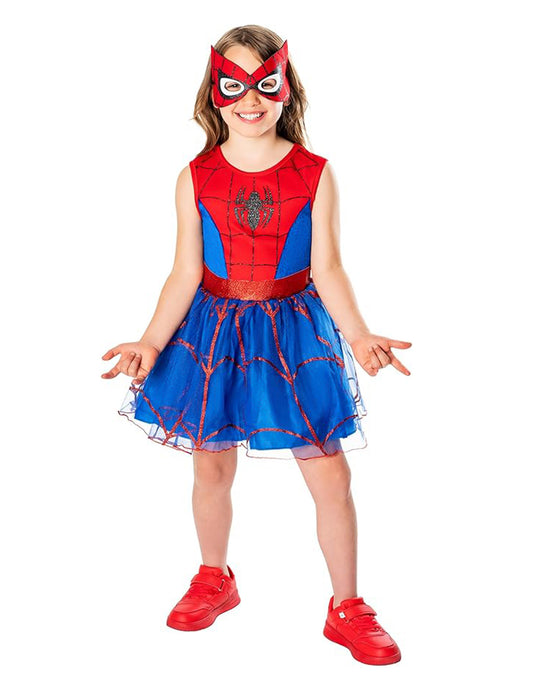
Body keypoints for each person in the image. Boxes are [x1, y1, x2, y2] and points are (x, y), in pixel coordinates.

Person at [101, 25, 412, 666]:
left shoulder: (314, 173)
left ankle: (347, 606)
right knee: (210, 465)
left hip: (294, 334)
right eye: (235, 84)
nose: (250, 99)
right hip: (212, 336)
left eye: (264, 84)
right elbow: (185, 271)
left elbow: (328, 267)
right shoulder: (194, 176)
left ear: (285, 89)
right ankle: (214, 577)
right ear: (214, 92)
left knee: (330, 471)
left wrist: (357, 335)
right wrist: (151, 341)